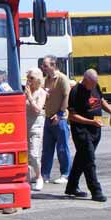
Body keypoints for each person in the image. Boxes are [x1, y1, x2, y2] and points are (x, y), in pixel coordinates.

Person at [65, 69, 111, 202]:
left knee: (82, 158)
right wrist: (90, 121)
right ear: (85, 80)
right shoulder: (75, 91)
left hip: (96, 129)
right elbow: (72, 115)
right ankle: (96, 191)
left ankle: (71, 186)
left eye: (96, 83)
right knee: (89, 160)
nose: (94, 86)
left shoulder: (95, 86)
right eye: (92, 84)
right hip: (81, 130)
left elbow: (101, 100)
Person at [40, 55, 71, 184]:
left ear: (53, 66)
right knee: (47, 148)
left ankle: (65, 174)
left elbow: (66, 96)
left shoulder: (62, 78)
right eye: (43, 65)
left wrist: (59, 114)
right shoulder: (46, 79)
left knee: (62, 148)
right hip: (48, 117)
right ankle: (44, 174)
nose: (43, 67)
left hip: (60, 119)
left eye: (45, 65)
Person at [24, 67, 47, 190]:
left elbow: (38, 109)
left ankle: (39, 177)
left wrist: (30, 97)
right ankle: (27, 178)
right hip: (24, 126)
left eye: (31, 78)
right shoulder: (26, 91)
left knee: (34, 154)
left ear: (38, 79)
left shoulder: (41, 93)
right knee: (25, 155)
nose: (29, 80)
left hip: (36, 126)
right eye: (28, 78)